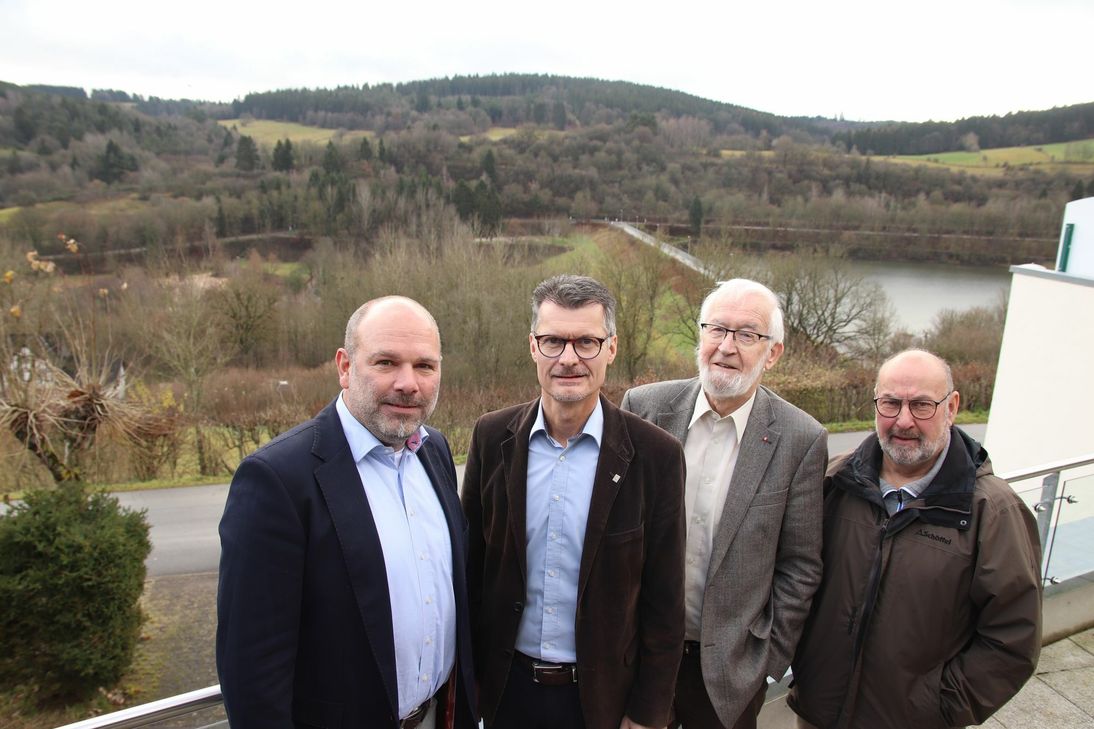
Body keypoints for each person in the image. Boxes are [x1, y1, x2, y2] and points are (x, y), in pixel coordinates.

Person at [216, 296, 476, 729]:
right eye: (386, 362)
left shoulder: (435, 451)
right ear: (344, 366)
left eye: (425, 366)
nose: (408, 383)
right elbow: (252, 670)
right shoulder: (277, 479)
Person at [461, 274, 687, 729]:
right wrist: (470, 687)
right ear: (532, 346)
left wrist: (646, 715)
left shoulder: (656, 456)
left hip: (601, 702)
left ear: (611, 349)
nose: (568, 358)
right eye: (553, 342)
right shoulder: (491, 437)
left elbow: (665, 604)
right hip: (506, 694)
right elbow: (471, 574)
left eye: (586, 341)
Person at [788, 349, 1042, 729]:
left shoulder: (993, 512)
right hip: (816, 714)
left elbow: (1013, 638)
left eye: (922, 405)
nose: (903, 420)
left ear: (952, 407)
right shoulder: (834, 481)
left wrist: (938, 708)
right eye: (891, 403)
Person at [621, 278, 827, 729]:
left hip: (727, 673)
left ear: (773, 353)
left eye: (747, 335)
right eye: (716, 329)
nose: (726, 347)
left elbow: (801, 566)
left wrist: (765, 662)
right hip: (635, 655)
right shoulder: (643, 408)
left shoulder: (800, 439)